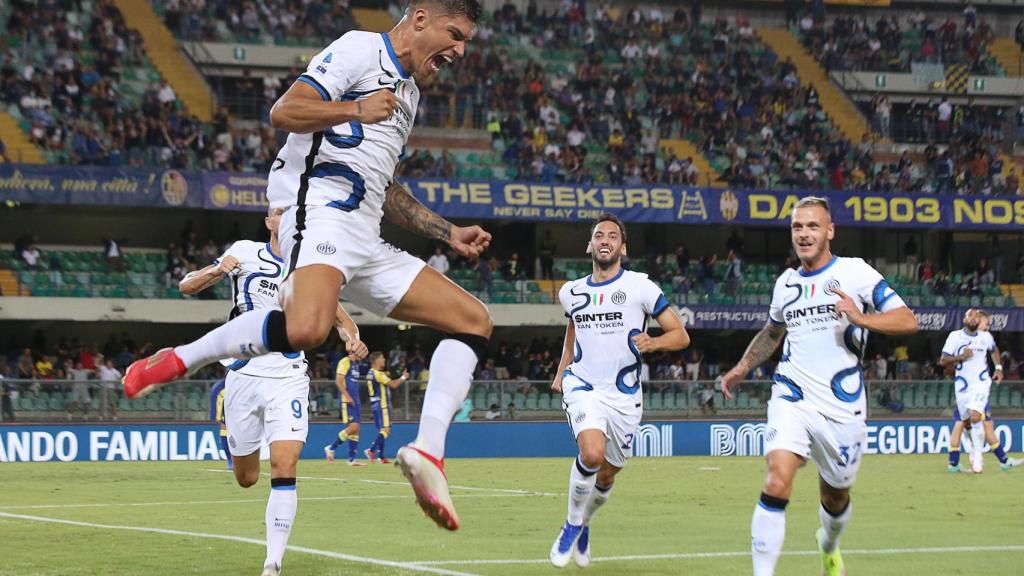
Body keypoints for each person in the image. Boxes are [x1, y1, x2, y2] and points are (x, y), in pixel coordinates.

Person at [123, 0, 488, 533]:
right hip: (317, 211)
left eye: (466, 42)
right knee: (309, 329)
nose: (459, 50)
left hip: (365, 234)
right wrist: (355, 109)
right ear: (419, 18)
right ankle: (181, 357)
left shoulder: (407, 95)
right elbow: (285, 111)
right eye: (454, 34)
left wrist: (447, 231)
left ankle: (428, 452)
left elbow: (384, 186)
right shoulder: (360, 48)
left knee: (473, 320)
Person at [720, 196, 918, 576]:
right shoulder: (786, 283)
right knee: (777, 478)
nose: (804, 234)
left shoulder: (854, 272)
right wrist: (743, 366)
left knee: (835, 496)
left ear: (830, 231)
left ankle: (828, 545)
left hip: (843, 406)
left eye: (813, 226)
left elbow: (908, 319)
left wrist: (861, 317)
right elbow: (772, 332)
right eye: (797, 226)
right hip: (792, 395)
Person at [178, 207, 366, 576]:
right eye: (278, 211)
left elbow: (340, 318)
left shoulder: (309, 266)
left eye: (290, 211)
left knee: (284, 464)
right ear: (268, 222)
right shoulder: (244, 252)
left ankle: (272, 563)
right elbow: (186, 285)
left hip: (288, 375)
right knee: (246, 477)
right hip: (244, 375)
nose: (286, 215)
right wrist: (217, 270)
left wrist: (353, 338)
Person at [549, 213, 690, 568]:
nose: (605, 240)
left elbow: (681, 335)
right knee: (592, 454)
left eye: (613, 236)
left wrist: (654, 342)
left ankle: (585, 523)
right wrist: (562, 369)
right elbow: (573, 329)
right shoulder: (571, 292)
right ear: (590, 245)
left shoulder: (642, 287)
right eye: (599, 235)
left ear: (622, 248)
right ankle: (571, 524)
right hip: (583, 385)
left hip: (624, 396)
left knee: (608, 473)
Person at [942, 309, 1022, 473]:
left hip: (981, 384)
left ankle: (978, 458)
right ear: (964, 319)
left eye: (977, 317)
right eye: (970, 316)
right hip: (963, 386)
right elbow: (943, 360)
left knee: (976, 418)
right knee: (965, 422)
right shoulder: (955, 337)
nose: (974, 319)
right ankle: (971, 455)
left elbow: (994, 350)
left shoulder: (985, 337)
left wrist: (998, 368)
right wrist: (961, 357)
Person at [326, 352, 372, 466]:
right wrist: (347, 396)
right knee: (354, 426)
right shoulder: (345, 361)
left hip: (355, 400)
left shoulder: (356, 364)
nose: (363, 353)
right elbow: (338, 381)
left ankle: (352, 459)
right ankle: (331, 448)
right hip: (347, 400)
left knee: (356, 429)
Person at [365, 351, 409, 464]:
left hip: (375, 405)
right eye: (382, 358)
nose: (384, 360)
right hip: (382, 405)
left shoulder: (370, 373)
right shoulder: (378, 374)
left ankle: (381, 456)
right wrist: (403, 377)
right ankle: (371, 450)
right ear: (376, 361)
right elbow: (394, 385)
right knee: (386, 429)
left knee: (382, 430)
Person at [209, 378, 230, 470]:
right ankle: (230, 461)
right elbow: (219, 403)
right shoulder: (222, 389)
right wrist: (219, 419)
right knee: (224, 432)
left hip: (239, 417)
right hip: (226, 418)